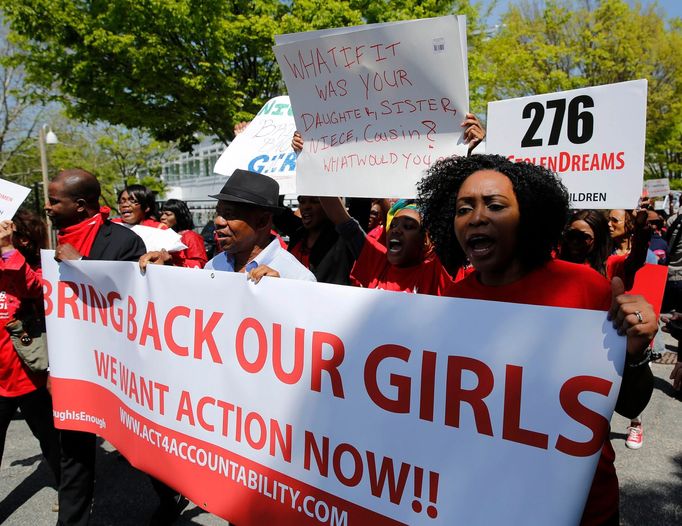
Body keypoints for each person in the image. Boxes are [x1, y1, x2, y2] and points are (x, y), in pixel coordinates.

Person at [418, 154, 656, 526]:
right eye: (464, 209)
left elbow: (628, 405)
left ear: (527, 215)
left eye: (495, 206)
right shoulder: (452, 302)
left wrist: (636, 353)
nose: (477, 218)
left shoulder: (585, 287)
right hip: (487, 505)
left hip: (583, 507)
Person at [46, 168, 146, 526]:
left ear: (81, 205)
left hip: (118, 368)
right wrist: (54, 366)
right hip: (76, 367)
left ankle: (167, 494)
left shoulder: (123, 240)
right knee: (73, 455)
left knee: (138, 448)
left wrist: (81, 265)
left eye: (55, 201)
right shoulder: (53, 238)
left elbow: (132, 299)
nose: (48, 207)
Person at [0, 211, 61, 492]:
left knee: (50, 440)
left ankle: (71, 491)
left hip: (29, 374)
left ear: (22, 240)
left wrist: (6, 250)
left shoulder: (37, 267)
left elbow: (34, 288)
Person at [274, 195, 356, 284]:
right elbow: (274, 207)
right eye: (302, 201)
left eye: (315, 201)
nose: (306, 206)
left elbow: (360, 204)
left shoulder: (342, 238)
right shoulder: (297, 231)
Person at [559, 210, 612, 276]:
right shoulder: (554, 264)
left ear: (599, 239)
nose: (575, 241)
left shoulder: (610, 269)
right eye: (571, 234)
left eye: (583, 237)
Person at [160, 199, 208, 269]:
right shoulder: (162, 234)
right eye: (161, 214)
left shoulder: (191, 237)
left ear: (179, 216)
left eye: (168, 214)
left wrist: (173, 262)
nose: (162, 217)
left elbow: (200, 264)